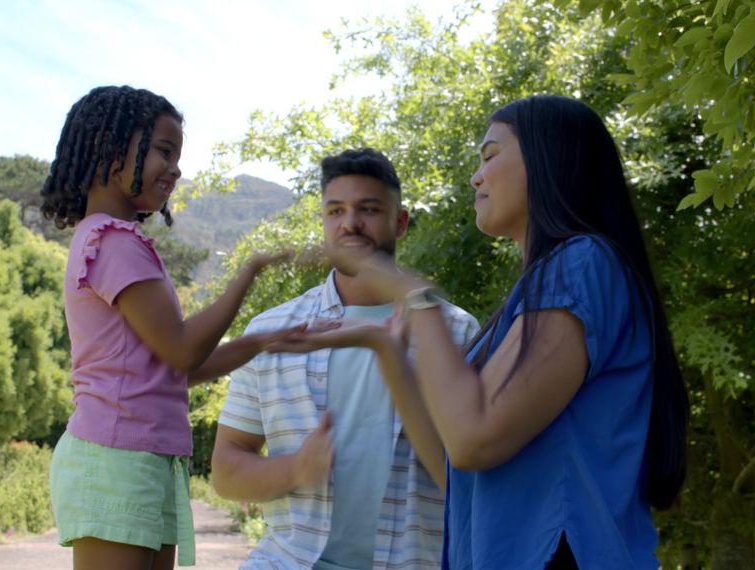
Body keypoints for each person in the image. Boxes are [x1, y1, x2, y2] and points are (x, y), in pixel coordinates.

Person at [268, 95, 690, 569]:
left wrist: (414, 297)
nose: (476, 176)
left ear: (548, 158)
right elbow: (454, 458)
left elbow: (473, 438)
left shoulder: (581, 263)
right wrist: (384, 347)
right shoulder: (542, 287)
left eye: (490, 156)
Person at [41, 85, 303, 570]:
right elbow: (183, 350)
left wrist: (263, 341)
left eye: (177, 154)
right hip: (115, 457)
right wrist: (248, 272)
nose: (176, 169)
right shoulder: (112, 242)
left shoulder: (120, 241)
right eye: (164, 150)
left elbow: (175, 369)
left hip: (142, 455)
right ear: (108, 147)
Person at [211, 148, 480, 569]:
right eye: (335, 210)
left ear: (401, 221)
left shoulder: (456, 333)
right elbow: (226, 470)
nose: (349, 222)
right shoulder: (274, 330)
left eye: (368, 209)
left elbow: (471, 477)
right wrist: (296, 470)